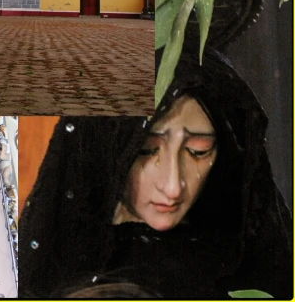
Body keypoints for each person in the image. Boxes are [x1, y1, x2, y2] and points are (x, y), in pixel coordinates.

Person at [20, 44, 292, 300]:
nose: (173, 186)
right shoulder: (55, 260)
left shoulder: (247, 261)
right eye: (147, 150)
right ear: (108, 144)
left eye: (199, 151)